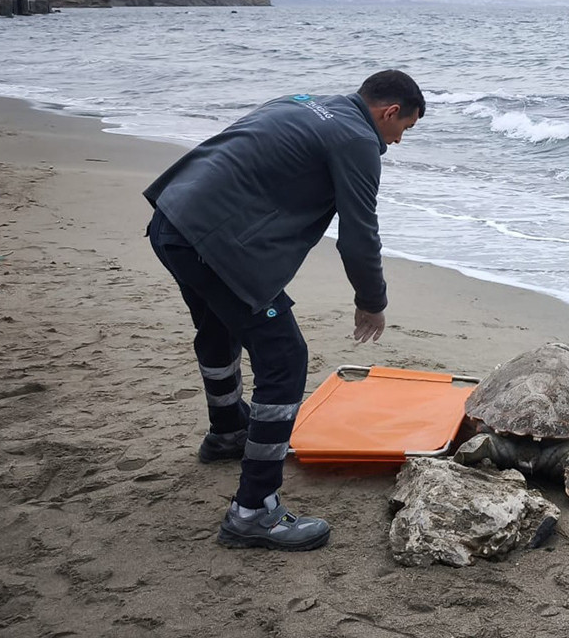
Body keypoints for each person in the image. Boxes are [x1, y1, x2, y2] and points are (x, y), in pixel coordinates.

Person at [143, 70, 425, 551]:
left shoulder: (302, 101)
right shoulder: (357, 139)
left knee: (218, 325)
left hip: (173, 218)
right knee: (285, 358)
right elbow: (359, 236)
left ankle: (228, 431)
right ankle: (254, 511)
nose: (397, 142)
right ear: (389, 112)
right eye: (404, 130)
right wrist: (371, 302)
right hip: (214, 240)